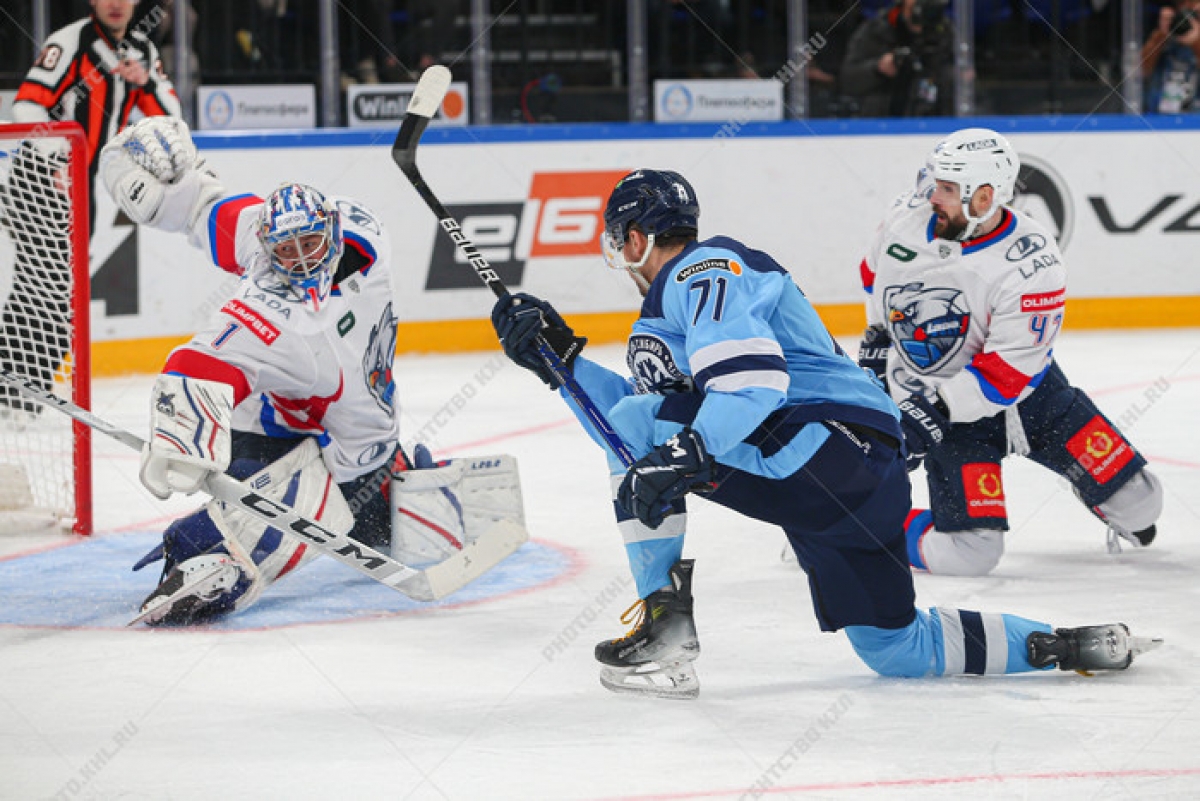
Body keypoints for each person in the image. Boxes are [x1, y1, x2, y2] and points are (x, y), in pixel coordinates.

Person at [490, 168, 1159, 700]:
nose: (620, 255)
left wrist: (687, 452)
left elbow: (750, 385)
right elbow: (636, 420)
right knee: (897, 648)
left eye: (619, 240)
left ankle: (664, 617)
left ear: (635, 237)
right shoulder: (683, 302)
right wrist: (562, 363)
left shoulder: (700, 271)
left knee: (646, 434)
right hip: (851, 482)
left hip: (828, 448)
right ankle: (1065, 643)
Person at [98, 117, 522, 624]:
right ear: (267, 248)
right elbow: (202, 359)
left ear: (333, 234)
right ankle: (205, 548)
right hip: (276, 439)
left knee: (396, 528)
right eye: (284, 251)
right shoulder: (273, 313)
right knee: (252, 527)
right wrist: (182, 438)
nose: (298, 262)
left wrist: (186, 192)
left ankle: (397, 475)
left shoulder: (362, 236)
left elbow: (212, 212)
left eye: (309, 245)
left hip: (366, 449)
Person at [855, 128, 1163, 577]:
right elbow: (872, 278)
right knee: (970, 555)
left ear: (983, 198)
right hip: (952, 419)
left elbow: (1005, 376)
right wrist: (879, 344)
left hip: (1033, 404)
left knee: (1143, 506)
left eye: (945, 189)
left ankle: (1101, 491)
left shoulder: (1033, 261)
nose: (929, 195)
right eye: (932, 181)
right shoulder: (905, 218)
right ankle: (855, 524)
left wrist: (927, 416)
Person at [0, 0, 182, 413]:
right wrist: (56, 155)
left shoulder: (142, 52)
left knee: (60, 286)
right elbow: (27, 104)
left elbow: (171, 118)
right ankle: (17, 389)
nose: (116, 3)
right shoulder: (69, 42)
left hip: (83, 184)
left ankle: (23, 387)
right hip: (40, 176)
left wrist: (145, 83)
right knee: (44, 283)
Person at [840, 0, 952, 117]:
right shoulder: (877, 29)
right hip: (883, 119)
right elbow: (847, 80)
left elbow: (960, 78)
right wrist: (877, 68)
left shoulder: (946, 31)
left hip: (935, 121)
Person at [1141, 0, 1200, 113]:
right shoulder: (1162, 34)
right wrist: (1162, 34)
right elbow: (1140, 71)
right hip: (1159, 116)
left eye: (1192, 7)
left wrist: (1196, 42)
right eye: (1183, 5)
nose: (1186, 15)